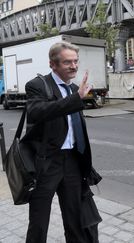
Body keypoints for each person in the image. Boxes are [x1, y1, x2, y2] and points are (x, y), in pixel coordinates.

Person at [24, 41, 98, 242]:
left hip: (72, 162)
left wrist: (85, 163)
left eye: (75, 61)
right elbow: (37, 112)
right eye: (67, 62)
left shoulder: (74, 88)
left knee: (75, 219)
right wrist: (76, 98)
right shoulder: (38, 85)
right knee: (39, 223)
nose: (73, 66)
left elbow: (76, 128)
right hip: (46, 163)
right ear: (53, 64)